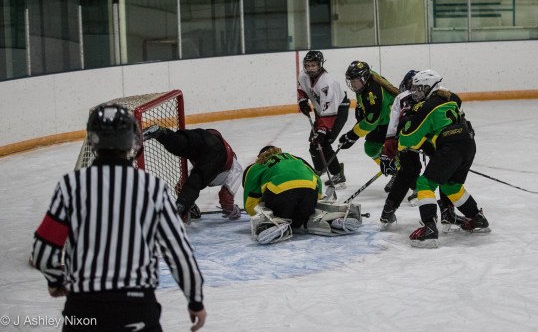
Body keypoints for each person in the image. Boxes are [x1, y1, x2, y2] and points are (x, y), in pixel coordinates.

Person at [31, 104, 206, 331]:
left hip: (83, 310)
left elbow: (43, 251)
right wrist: (195, 300)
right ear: (132, 140)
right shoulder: (152, 188)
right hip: (137, 309)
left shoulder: (71, 186)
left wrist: (55, 281)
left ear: (93, 140)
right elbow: (179, 252)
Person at [395, 69, 490, 248]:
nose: (415, 92)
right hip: (468, 143)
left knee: (425, 184)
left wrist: (404, 130)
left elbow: (410, 140)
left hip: (450, 148)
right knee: (450, 185)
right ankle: (477, 218)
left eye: (418, 88)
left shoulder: (428, 107)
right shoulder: (450, 98)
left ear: (428, 87)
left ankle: (429, 229)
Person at [379, 70, 467, 232]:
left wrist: (389, 151)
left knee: (426, 173)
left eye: (418, 87)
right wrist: (388, 151)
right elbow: (393, 130)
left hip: (426, 140)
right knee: (416, 172)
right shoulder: (408, 98)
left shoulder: (439, 95)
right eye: (414, 87)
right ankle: (390, 210)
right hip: (416, 139)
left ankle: (389, 211)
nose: (415, 91)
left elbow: (392, 130)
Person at [243, 146, 361, 244]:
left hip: (281, 197)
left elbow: (250, 204)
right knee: (303, 216)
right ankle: (330, 220)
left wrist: (259, 214)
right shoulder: (295, 158)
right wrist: (317, 201)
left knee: (265, 204)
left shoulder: (256, 166)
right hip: (309, 193)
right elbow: (317, 180)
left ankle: (273, 224)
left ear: (259, 157)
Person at [143, 125, 242, 222]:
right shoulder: (235, 168)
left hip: (202, 135)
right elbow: (226, 199)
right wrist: (233, 211)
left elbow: (180, 186)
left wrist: (191, 206)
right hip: (216, 151)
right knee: (195, 181)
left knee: (179, 143)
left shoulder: (207, 162)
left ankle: (161, 133)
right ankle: (179, 209)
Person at [297, 50, 350, 191]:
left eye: (313, 65)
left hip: (337, 111)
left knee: (324, 142)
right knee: (314, 144)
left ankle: (338, 174)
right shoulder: (303, 75)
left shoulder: (327, 83)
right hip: (322, 111)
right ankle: (319, 171)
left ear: (320, 65)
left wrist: (322, 131)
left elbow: (330, 111)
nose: (310, 68)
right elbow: (301, 88)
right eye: (308, 65)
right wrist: (302, 101)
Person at [339, 60, 399, 171]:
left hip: (391, 122)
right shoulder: (368, 76)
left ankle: (400, 172)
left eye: (355, 80)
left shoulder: (372, 94)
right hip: (384, 119)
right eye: (351, 80)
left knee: (374, 147)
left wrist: (353, 135)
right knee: (371, 148)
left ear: (363, 78)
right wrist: (360, 106)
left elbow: (371, 122)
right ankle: (393, 169)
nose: (352, 84)